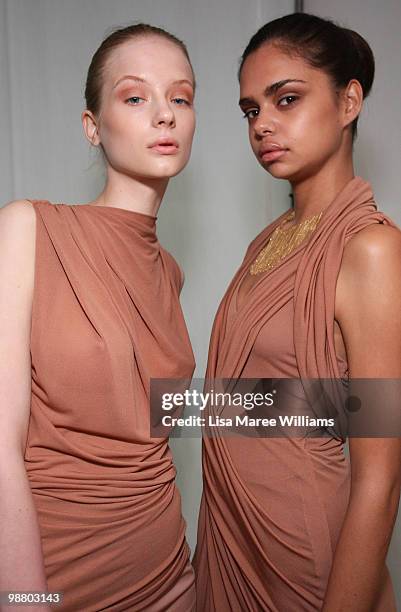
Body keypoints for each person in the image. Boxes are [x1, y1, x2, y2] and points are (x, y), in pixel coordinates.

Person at [193, 12, 401, 612]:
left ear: (349, 101)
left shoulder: (373, 249)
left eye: (286, 99)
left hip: (309, 560)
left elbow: (381, 480)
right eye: (251, 110)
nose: (263, 125)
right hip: (234, 544)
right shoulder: (266, 241)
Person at [0, 23, 196, 611]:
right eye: (136, 97)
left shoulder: (169, 271)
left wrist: (358, 406)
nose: (165, 115)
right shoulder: (28, 229)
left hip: (170, 576)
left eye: (181, 98)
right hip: (58, 577)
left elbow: (152, 421)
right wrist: (25, 597)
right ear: (93, 126)